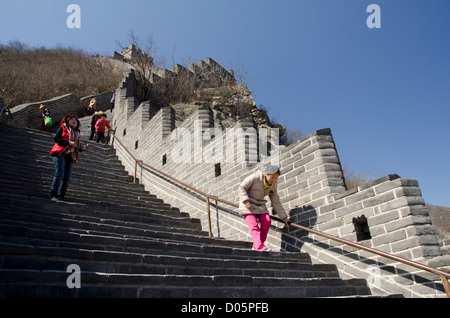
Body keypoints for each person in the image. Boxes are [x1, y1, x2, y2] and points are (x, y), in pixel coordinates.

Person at [238, 165, 291, 251]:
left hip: (260, 205)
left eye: (276, 178)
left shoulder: (273, 185)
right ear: (266, 174)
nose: (273, 180)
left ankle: (257, 245)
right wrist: (246, 201)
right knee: (254, 225)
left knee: (267, 221)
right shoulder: (255, 177)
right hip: (248, 205)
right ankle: (259, 246)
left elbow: (275, 201)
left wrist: (284, 218)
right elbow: (241, 187)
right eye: (272, 177)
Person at [49, 115, 86, 201]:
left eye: (75, 120)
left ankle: (61, 195)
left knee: (67, 177)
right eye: (72, 120)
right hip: (60, 152)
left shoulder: (77, 132)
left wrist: (81, 148)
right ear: (67, 121)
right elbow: (56, 138)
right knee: (60, 173)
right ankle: (53, 193)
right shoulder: (63, 128)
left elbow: (75, 146)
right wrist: (67, 142)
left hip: (70, 155)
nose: (74, 121)